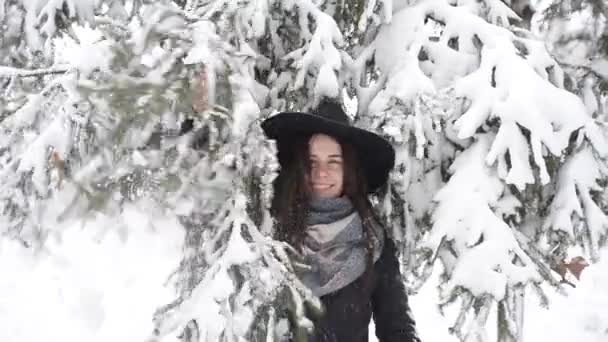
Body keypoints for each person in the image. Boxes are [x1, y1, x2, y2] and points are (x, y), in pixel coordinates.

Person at [261, 99, 420, 342]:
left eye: (333, 162)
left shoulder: (373, 241)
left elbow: (397, 327)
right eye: (312, 162)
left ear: (349, 169)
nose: (321, 173)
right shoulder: (269, 231)